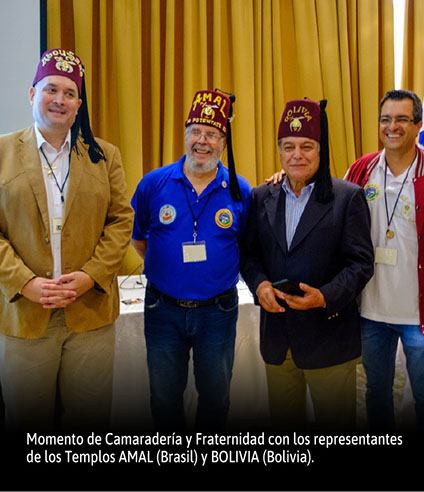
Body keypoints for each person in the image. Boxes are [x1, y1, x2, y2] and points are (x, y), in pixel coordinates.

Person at [0, 48, 134, 430]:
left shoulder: (104, 155)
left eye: (70, 93)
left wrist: (91, 275)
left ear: (78, 104)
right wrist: (25, 282)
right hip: (25, 316)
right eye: (51, 89)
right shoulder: (2, 152)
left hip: (90, 315)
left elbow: (121, 221)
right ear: (32, 94)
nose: (60, 99)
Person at [240, 98, 374, 431]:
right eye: (289, 147)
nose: (297, 155)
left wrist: (325, 296)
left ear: (320, 150)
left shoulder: (348, 197)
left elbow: (360, 263)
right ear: (279, 152)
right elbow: (249, 255)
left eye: (306, 146)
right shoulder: (261, 196)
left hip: (328, 339)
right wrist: (260, 285)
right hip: (278, 340)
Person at [131, 89, 251, 432]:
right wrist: (170, 269)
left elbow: (246, 244)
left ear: (223, 143)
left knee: (216, 400)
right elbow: (139, 238)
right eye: (195, 131)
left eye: (212, 134)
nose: (202, 141)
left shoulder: (239, 189)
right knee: (164, 401)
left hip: (218, 312)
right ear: (184, 136)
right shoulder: (153, 184)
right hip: (163, 310)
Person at [345, 90, 424, 432]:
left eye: (401, 119)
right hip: (371, 311)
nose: (392, 127)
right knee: (376, 393)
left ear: (418, 125)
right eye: (385, 119)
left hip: (421, 315)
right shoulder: (361, 169)